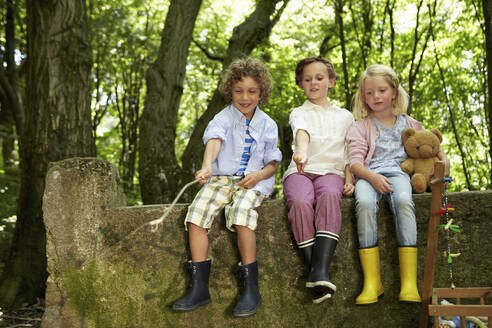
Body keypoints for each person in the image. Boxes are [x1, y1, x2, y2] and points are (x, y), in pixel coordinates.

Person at [172, 57, 282, 318]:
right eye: (238, 91)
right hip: (222, 177)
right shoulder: (222, 117)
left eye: (252, 91)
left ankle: (250, 288)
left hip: (254, 180)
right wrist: (207, 165)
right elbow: (214, 139)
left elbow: (272, 164)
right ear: (230, 91)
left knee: (241, 213)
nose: (245, 97)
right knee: (197, 213)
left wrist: (258, 176)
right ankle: (199, 287)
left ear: (261, 93)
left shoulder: (268, 124)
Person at [346, 64, 450, 305]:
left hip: (399, 174)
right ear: (363, 96)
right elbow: (355, 163)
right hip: (368, 175)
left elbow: (432, 144)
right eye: (369, 93)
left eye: (381, 90)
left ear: (394, 91)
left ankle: (409, 282)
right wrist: (372, 178)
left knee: (404, 201)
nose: (376, 97)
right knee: (362, 204)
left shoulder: (409, 123)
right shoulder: (360, 126)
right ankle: (372, 282)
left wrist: (443, 163)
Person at [282, 56, 355, 304]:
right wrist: (301, 150)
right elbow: (302, 133)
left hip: (331, 173)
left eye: (320, 78)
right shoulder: (300, 112)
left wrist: (350, 178)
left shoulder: (345, 116)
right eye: (307, 79)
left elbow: (349, 151)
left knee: (329, 196)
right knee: (300, 201)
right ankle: (318, 271)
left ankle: (318, 272)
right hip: (301, 170)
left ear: (331, 82)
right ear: (301, 84)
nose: (314, 83)